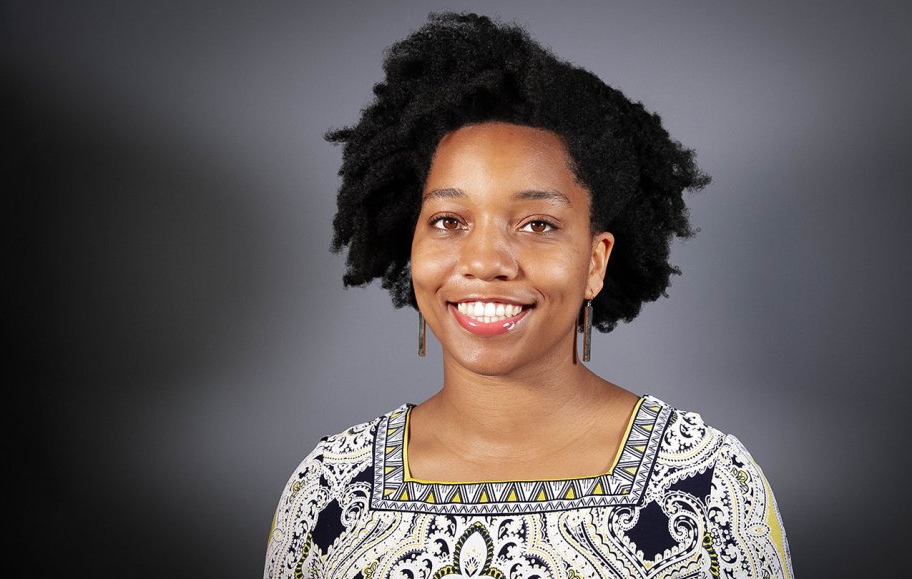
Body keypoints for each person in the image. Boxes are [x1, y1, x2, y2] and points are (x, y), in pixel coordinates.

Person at [264, 12, 793, 579]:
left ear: (595, 262)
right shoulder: (329, 489)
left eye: (537, 224)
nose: (485, 262)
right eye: (448, 220)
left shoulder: (706, 487)